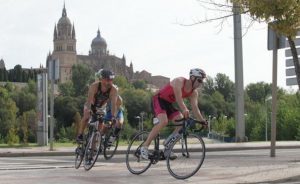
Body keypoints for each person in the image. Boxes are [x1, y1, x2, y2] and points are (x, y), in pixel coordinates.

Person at [140, 68, 208, 159]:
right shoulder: (179, 81)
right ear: (192, 78)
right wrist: (184, 109)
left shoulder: (194, 93)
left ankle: (167, 145)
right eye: (199, 80)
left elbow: (195, 108)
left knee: (181, 124)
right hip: (159, 99)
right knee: (163, 121)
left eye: (202, 81)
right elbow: (179, 98)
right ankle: (144, 147)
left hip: (168, 104)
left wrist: (202, 121)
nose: (200, 83)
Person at [76, 69, 118, 142]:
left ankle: (95, 147)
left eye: (111, 80)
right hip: (91, 104)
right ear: (102, 79)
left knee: (100, 123)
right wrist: (88, 110)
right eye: (108, 80)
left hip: (101, 107)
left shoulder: (114, 90)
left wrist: (113, 116)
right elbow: (89, 100)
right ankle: (80, 134)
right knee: (86, 117)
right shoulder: (94, 86)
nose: (110, 82)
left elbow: (113, 104)